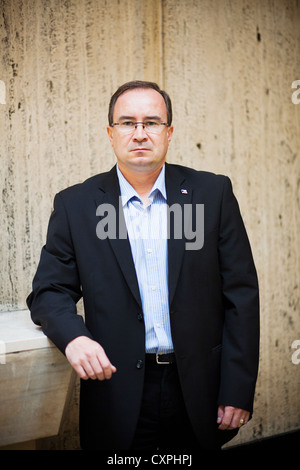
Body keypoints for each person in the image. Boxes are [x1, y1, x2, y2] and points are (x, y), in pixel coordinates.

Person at [27, 80, 260, 451]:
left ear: (169, 133)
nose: (139, 133)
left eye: (151, 122)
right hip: (117, 391)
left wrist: (237, 386)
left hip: (199, 388)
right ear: (110, 133)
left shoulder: (211, 194)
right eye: (127, 123)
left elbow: (241, 296)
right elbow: (49, 291)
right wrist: (74, 337)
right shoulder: (78, 205)